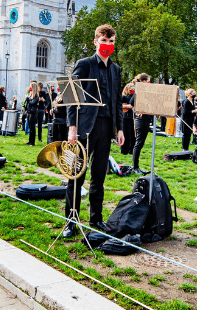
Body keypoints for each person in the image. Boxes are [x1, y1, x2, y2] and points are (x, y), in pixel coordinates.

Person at [62, 24, 123, 238]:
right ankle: (71, 220)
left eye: (111, 42)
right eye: (104, 41)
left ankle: (96, 218)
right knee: (76, 175)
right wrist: (72, 128)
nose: (108, 45)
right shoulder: (85, 64)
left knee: (99, 176)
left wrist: (120, 129)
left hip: (106, 127)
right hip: (84, 126)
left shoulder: (116, 70)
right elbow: (71, 96)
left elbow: (117, 101)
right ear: (96, 41)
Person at [127, 73, 154, 174]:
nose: (149, 82)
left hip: (146, 119)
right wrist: (138, 110)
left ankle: (136, 167)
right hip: (140, 120)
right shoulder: (139, 90)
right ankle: (135, 167)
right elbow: (131, 102)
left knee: (140, 143)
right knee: (138, 144)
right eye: (148, 80)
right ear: (143, 81)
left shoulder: (145, 91)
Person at [26, 81, 49, 146]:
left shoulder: (36, 96)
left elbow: (32, 103)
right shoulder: (31, 95)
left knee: (33, 127)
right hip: (29, 112)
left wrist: (28, 99)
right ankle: (30, 140)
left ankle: (32, 142)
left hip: (34, 112)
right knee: (30, 127)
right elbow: (28, 103)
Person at [120, 79, 137, 156]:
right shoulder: (124, 97)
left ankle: (131, 150)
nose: (132, 89)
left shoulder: (135, 97)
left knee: (133, 135)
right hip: (125, 117)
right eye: (131, 88)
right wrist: (127, 106)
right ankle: (124, 150)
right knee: (126, 134)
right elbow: (119, 105)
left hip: (133, 117)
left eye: (134, 88)